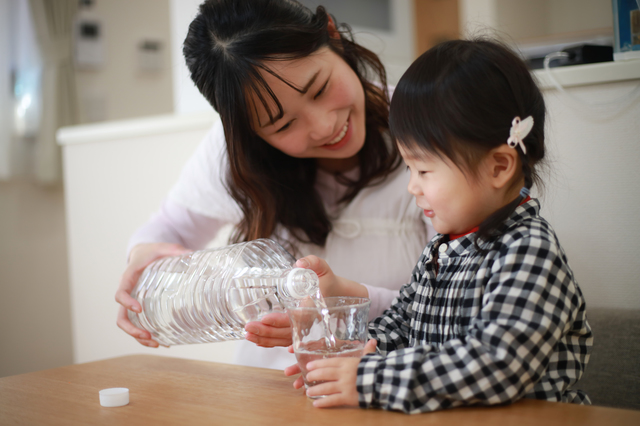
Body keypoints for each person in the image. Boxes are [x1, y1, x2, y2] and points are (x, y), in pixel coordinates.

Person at [114, 0, 434, 370]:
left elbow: (446, 308)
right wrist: (142, 259)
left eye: (319, 89)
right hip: (270, 389)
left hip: (389, 383)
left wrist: (344, 306)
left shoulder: (425, 129)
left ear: (331, 34)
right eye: (283, 126)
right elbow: (168, 229)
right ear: (252, 133)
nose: (323, 126)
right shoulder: (237, 154)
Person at [287, 39, 593, 413]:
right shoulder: (442, 248)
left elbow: (496, 364)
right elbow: (400, 326)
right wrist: (349, 357)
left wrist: (369, 379)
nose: (412, 186)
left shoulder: (529, 251)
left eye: (425, 170)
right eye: (409, 169)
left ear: (499, 167)